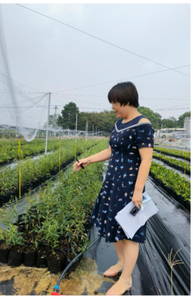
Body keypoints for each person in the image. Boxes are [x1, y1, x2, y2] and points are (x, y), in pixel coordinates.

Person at [73, 82, 154, 295]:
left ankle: (126, 280)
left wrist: (138, 191)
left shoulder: (143, 124)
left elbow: (146, 160)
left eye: (114, 102)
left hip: (130, 188)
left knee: (130, 232)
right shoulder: (119, 124)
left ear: (127, 100)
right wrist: (88, 159)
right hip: (112, 183)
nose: (112, 107)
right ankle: (120, 263)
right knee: (114, 224)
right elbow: (111, 150)